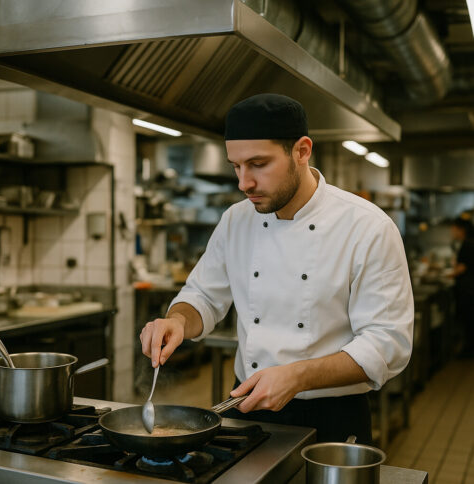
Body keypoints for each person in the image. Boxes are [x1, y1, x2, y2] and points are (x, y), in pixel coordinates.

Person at [140, 93, 414, 444]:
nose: (244, 183)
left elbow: (387, 343)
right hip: (246, 406)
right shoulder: (235, 221)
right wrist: (177, 320)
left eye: (258, 164)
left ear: (301, 151)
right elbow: (203, 295)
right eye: (236, 167)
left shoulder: (368, 227)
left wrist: (297, 376)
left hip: (330, 418)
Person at [450, 217, 474, 357]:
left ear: (461, 230)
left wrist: (448, 275)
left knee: (467, 320)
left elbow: (462, 268)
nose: (452, 232)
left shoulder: (467, 244)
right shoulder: (469, 242)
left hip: (468, 289)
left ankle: (468, 351)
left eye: (454, 229)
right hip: (469, 288)